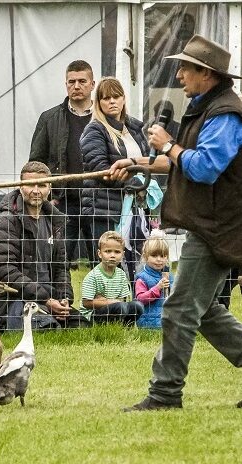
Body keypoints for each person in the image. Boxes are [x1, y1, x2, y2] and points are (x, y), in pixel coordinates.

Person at [108, 35, 242, 411]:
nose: (179, 74)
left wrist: (167, 143)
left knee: (180, 309)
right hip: (211, 223)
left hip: (218, 227)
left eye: (186, 68)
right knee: (204, 309)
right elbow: (184, 160)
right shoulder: (206, 107)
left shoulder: (226, 114)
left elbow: (206, 166)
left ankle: (165, 394)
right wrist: (138, 163)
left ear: (207, 74)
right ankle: (165, 393)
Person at [0, 161, 87, 331]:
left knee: (82, 327)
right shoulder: (7, 221)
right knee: (47, 328)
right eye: (30, 184)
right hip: (9, 301)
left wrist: (64, 298)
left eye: (42, 185)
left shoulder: (54, 221)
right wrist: (46, 300)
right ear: (20, 186)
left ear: (50, 187)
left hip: (45, 299)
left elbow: (61, 268)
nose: (36, 190)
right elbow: (5, 270)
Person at [80, 77, 151, 282]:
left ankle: (132, 310)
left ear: (123, 98)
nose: (112, 101)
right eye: (106, 98)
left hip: (135, 207)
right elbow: (99, 169)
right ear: (98, 103)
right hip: (104, 208)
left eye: (116, 96)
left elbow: (148, 163)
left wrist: (146, 184)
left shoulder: (135, 129)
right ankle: (106, 312)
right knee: (108, 268)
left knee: (137, 262)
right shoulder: (94, 130)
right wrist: (133, 183)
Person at [29, 59, 96, 267]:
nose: (76, 86)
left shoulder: (103, 118)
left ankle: (107, 301)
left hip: (98, 201)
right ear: (65, 84)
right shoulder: (50, 118)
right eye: (71, 81)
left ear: (93, 84)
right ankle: (61, 300)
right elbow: (35, 163)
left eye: (82, 81)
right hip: (62, 202)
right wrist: (47, 195)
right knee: (57, 263)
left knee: (104, 262)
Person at [79, 231, 144, 326]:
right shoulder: (93, 275)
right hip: (93, 315)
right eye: (108, 251)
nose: (112, 255)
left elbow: (122, 300)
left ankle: (125, 328)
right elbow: (86, 303)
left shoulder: (121, 274)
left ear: (122, 254)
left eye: (117, 252)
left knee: (138, 306)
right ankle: (108, 328)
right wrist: (109, 302)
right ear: (100, 253)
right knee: (120, 307)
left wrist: (108, 301)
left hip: (116, 307)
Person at [134, 231, 173, 329]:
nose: (159, 259)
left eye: (163, 256)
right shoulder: (142, 278)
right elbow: (141, 299)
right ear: (146, 256)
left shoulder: (169, 276)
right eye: (154, 256)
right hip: (149, 322)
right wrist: (157, 288)